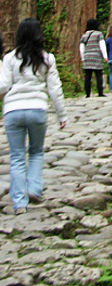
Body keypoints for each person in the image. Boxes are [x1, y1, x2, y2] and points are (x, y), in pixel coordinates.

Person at [0, 19, 66, 214]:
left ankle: (19, 203)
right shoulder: (47, 58)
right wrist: (61, 114)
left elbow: (3, 85)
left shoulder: (9, 58)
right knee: (36, 152)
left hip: (13, 111)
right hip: (37, 109)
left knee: (17, 157)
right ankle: (34, 189)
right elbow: (55, 89)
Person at [80, 18, 107, 97]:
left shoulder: (84, 35)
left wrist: (82, 58)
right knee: (98, 75)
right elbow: (102, 46)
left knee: (88, 76)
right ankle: (100, 92)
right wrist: (105, 56)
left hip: (87, 57)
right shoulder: (99, 34)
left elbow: (81, 48)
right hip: (96, 57)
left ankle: (87, 93)